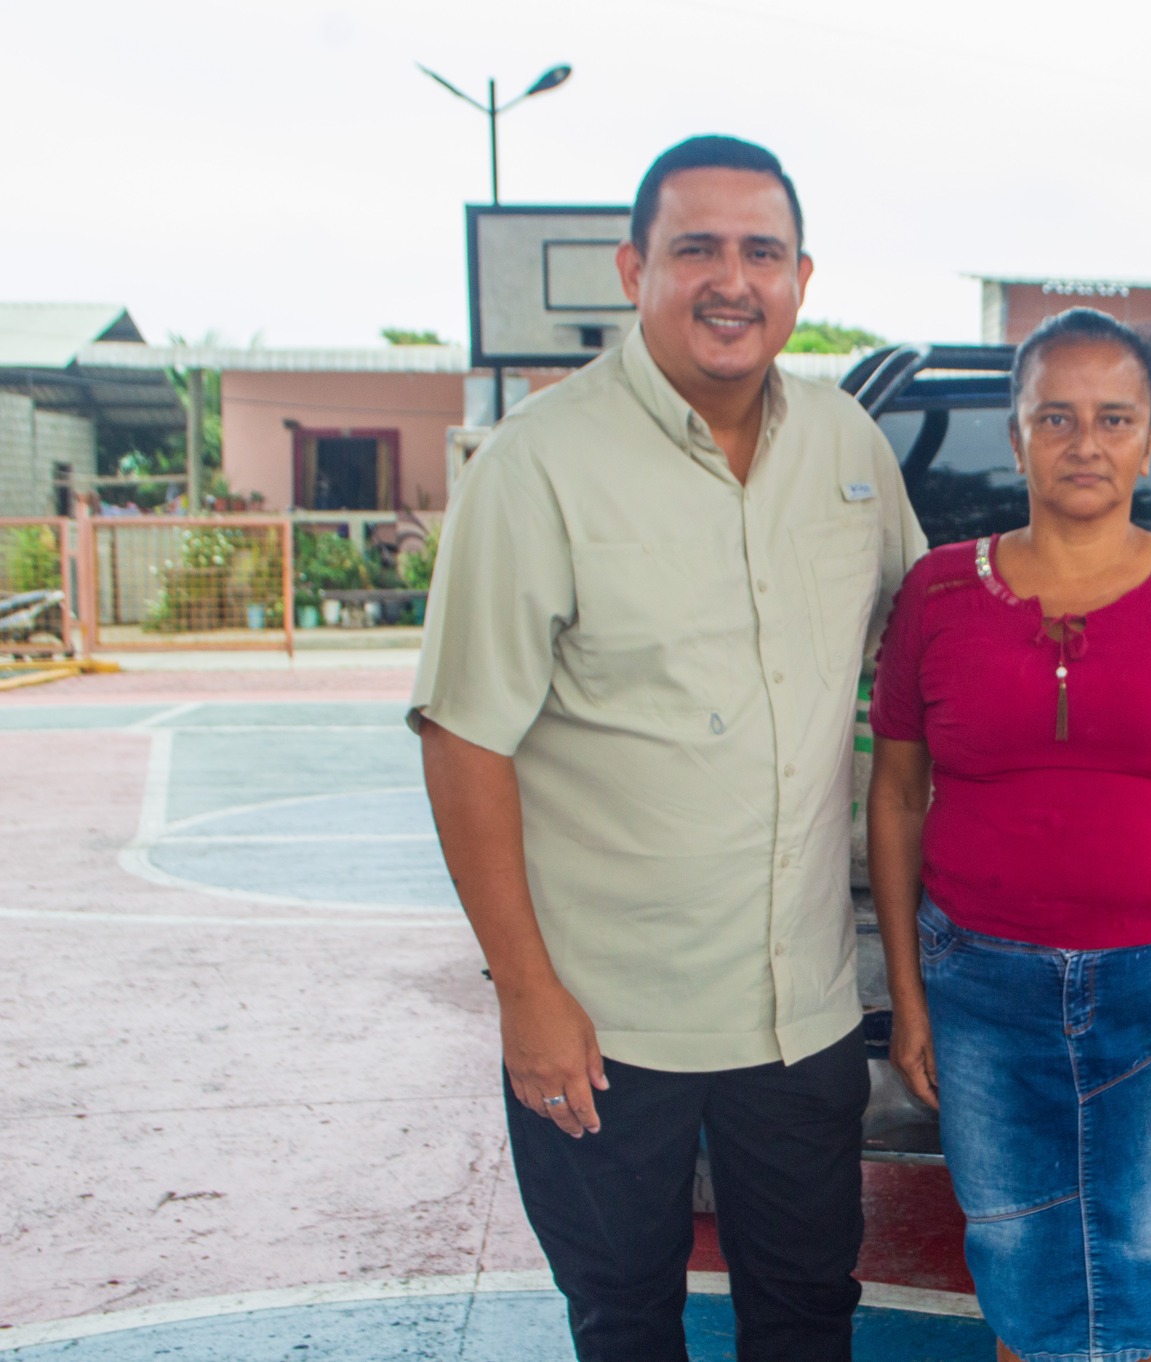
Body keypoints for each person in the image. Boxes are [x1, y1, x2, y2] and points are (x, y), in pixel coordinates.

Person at [410, 135, 925, 1362]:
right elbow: (463, 738)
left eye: (761, 252)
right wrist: (527, 996)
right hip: (603, 1022)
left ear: (801, 277)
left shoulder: (846, 448)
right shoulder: (538, 464)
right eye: (696, 249)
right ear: (634, 268)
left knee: (806, 1319)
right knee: (625, 1322)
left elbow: (931, 650)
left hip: (798, 1014)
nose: (731, 281)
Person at [865, 308, 1151, 1362]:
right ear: (1014, 436)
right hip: (983, 989)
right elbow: (893, 798)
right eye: (1055, 416)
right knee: (1020, 1262)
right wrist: (909, 997)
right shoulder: (938, 593)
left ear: (1149, 441)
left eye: (1114, 418)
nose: (1085, 442)